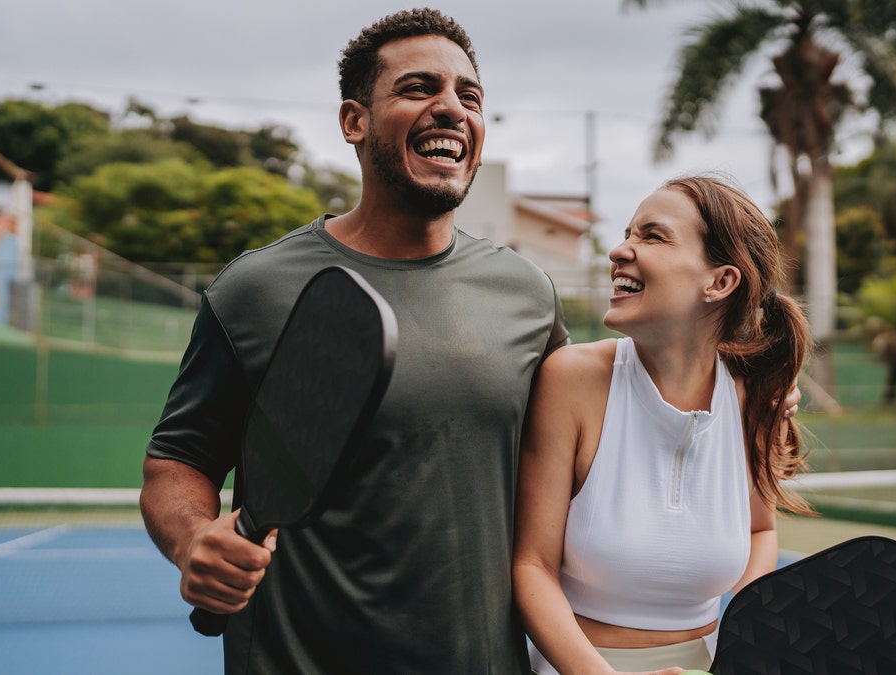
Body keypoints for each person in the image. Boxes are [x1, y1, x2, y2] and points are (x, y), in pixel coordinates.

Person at [138, 9, 571, 673]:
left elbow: (572, 471)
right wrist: (195, 538)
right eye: (419, 88)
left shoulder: (528, 295)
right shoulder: (254, 289)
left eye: (469, 95)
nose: (451, 108)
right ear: (354, 121)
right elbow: (177, 460)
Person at [512, 175, 815, 675]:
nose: (618, 250)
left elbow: (761, 531)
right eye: (628, 232)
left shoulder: (757, 397)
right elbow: (531, 567)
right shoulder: (569, 380)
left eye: (651, 236)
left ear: (719, 282)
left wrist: (745, 641)